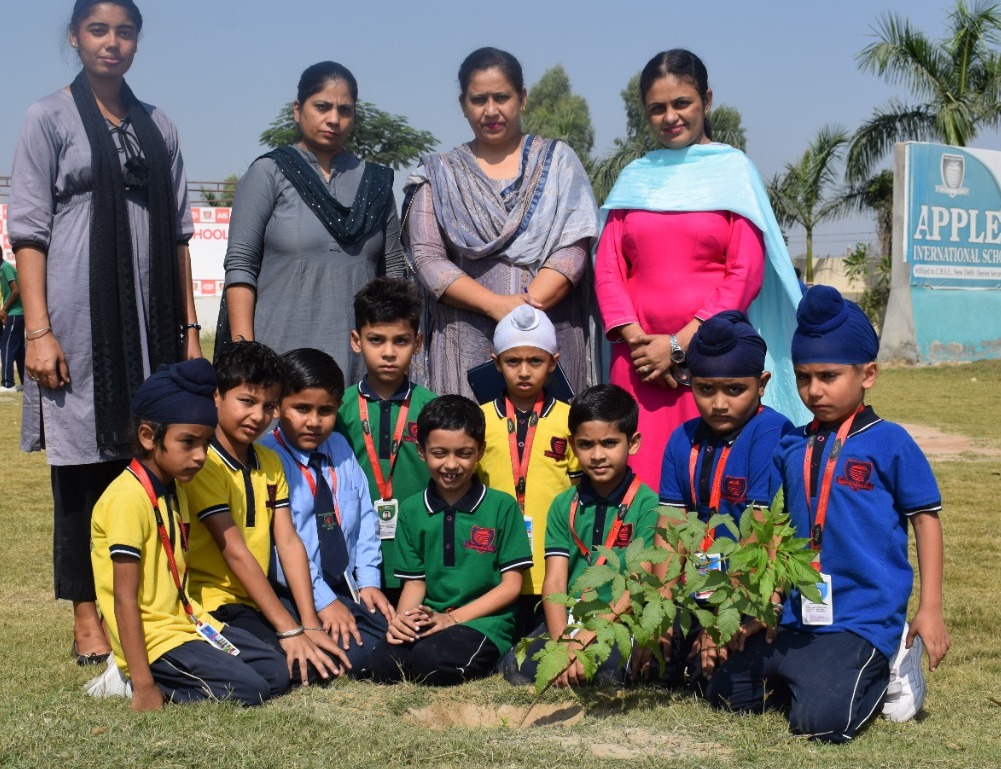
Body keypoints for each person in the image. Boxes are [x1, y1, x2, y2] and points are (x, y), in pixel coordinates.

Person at [7, 0, 201, 663]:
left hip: (151, 321)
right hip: (76, 318)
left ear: (137, 43)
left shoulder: (159, 124)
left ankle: (154, 603)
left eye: (123, 32)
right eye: (98, 30)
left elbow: (178, 233)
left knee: (151, 461)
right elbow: (28, 228)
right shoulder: (47, 117)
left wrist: (190, 329)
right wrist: (38, 330)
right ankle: (86, 615)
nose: (111, 43)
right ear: (74, 38)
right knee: (81, 466)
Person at [706, 286, 950, 742]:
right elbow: (774, 533)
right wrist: (764, 608)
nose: (813, 390)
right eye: (803, 377)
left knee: (821, 724)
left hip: (863, 614)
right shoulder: (789, 444)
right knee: (723, 691)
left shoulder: (890, 442)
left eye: (828, 376)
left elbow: (926, 520)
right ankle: (812, 673)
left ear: (868, 374)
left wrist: (930, 608)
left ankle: (892, 659)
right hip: (799, 615)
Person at [593, 48, 805, 491]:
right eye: (657, 108)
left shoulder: (733, 172)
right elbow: (608, 268)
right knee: (635, 480)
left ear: (706, 100)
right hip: (637, 365)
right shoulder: (636, 177)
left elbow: (744, 271)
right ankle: (635, 564)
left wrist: (677, 344)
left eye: (681, 103)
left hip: (711, 362)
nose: (670, 117)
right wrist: (641, 347)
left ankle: (708, 563)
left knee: (708, 481)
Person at [91, 358, 289, 710]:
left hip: (191, 621)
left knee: (274, 670)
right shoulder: (126, 499)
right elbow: (123, 600)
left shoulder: (176, 488)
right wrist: (144, 684)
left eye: (206, 442)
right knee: (248, 690)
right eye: (188, 442)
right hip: (157, 639)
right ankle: (129, 676)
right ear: (148, 437)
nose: (200, 456)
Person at [404, 46, 599, 399]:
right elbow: (427, 258)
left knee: (551, 445)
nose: (491, 110)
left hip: (549, 333)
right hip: (466, 339)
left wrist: (526, 307)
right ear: (463, 103)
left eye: (502, 97)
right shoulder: (440, 174)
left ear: (521, 98)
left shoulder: (558, 163)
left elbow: (573, 247)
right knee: (466, 444)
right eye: (479, 100)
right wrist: (496, 306)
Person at [221, 61, 404, 382]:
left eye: (344, 110)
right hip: (277, 360)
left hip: (360, 364)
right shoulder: (268, 174)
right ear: (297, 109)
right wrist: (244, 354)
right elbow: (241, 265)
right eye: (322, 106)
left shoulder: (375, 185)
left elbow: (394, 274)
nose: (333, 119)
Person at [182, 342, 348, 685]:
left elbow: (288, 541)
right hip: (210, 603)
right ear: (216, 396)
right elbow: (236, 552)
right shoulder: (204, 464)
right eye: (247, 401)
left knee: (316, 664)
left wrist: (309, 623)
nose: (258, 416)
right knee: (275, 672)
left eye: (269, 405)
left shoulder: (269, 462)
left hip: (255, 601)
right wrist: (290, 630)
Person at [648, 310, 793, 687]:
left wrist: (723, 619)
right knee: (650, 666)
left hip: (755, 589)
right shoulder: (681, 438)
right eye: (705, 389)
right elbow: (669, 531)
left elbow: (760, 539)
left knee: (718, 684)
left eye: (734, 389)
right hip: (699, 585)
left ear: (761, 384)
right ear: (690, 383)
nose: (719, 403)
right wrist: (661, 611)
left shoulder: (772, 433)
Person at [369, 395, 533, 686]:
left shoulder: (501, 506)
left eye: (464, 453)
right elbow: (415, 582)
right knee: (384, 664)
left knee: (431, 663)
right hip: (431, 617)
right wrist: (403, 620)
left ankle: (495, 655)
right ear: (421, 451)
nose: (451, 464)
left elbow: (511, 586)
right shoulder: (411, 509)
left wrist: (452, 619)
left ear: (480, 450)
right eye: (439, 453)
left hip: (485, 622)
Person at [503, 384, 659, 687]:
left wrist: (587, 637)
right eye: (586, 445)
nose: (598, 455)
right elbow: (555, 581)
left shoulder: (649, 503)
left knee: (606, 672)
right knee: (515, 667)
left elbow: (640, 584)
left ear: (634, 443)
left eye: (610, 443)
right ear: (573, 446)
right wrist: (563, 643)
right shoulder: (564, 504)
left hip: (620, 620)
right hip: (573, 617)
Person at [261, 347, 394, 677]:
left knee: (393, 636)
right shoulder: (266, 458)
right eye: (301, 408)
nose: (314, 422)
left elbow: (365, 518)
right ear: (278, 406)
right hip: (293, 591)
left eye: (326, 410)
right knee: (360, 655)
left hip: (345, 585)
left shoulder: (340, 447)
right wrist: (323, 602)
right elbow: (278, 547)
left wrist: (370, 582)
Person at [475, 304, 580, 636]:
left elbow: (580, 491)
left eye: (535, 361)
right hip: (494, 560)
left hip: (553, 559)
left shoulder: (570, 420)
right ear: (496, 363)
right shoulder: (478, 420)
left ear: (553, 363)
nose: (523, 371)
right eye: (512, 361)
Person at [335, 277, 436, 605]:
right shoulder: (338, 410)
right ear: (356, 340)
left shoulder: (432, 409)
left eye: (401, 341)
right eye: (376, 340)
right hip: (355, 557)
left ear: (418, 342)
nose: (389, 353)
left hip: (419, 557)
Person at [1, 259, 25, 391]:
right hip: (18, 313)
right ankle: (24, 382)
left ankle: (8, 383)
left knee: (7, 347)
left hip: (15, 313)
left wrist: (4, 309)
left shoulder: (5, 268)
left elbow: (16, 290)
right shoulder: (4, 268)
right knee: (19, 350)